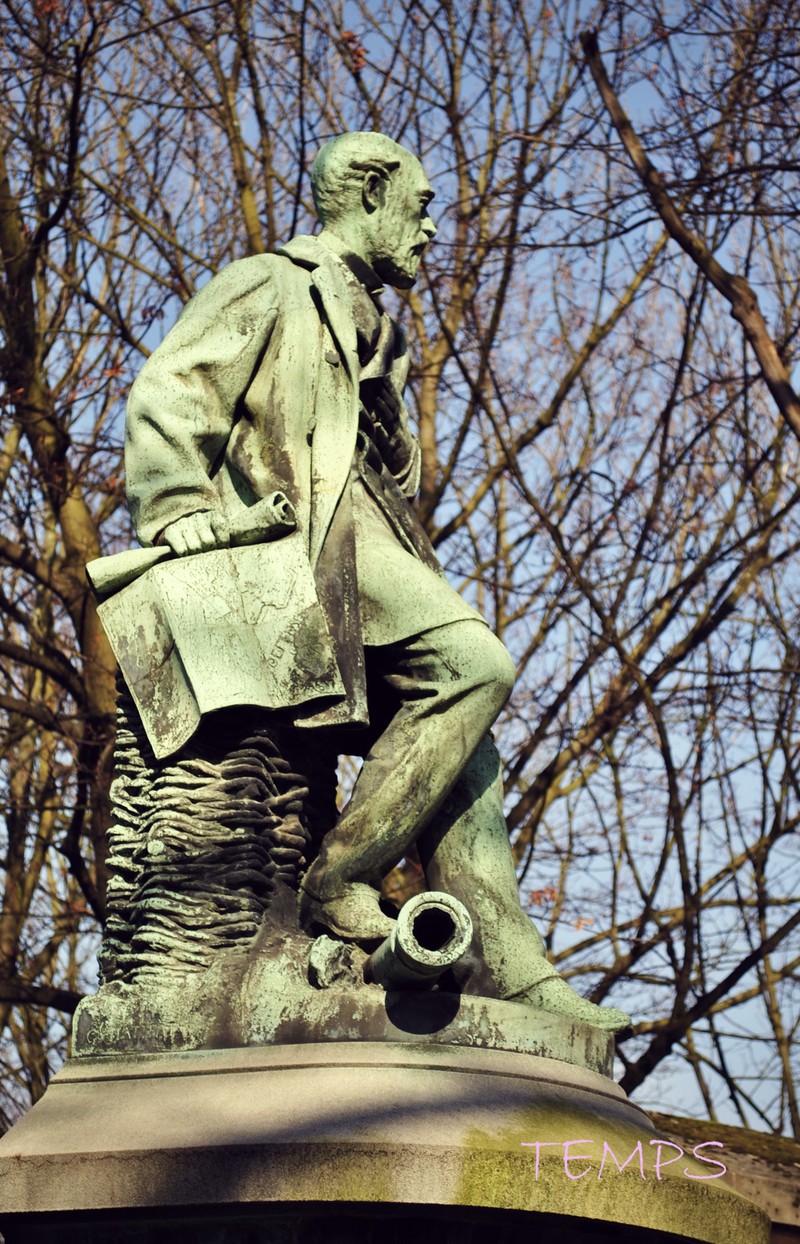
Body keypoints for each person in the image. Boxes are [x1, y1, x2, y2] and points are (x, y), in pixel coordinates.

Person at [124, 131, 627, 1029]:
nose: (433, 229)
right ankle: (342, 876)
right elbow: (172, 390)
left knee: (464, 747)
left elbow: (374, 459)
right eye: (422, 205)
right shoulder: (272, 281)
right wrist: (174, 505)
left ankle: (512, 966)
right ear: (368, 192)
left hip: (375, 543)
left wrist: (397, 442)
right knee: (475, 663)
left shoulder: (379, 324)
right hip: (312, 551)